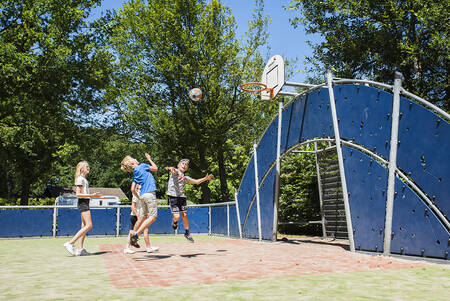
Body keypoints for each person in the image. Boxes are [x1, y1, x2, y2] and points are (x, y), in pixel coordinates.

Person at [166, 159, 214, 243]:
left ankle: (187, 232)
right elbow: (172, 170)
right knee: (177, 217)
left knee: (184, 214)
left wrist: (205, 179)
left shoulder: (185, 177)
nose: (184, 165)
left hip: (182, 197)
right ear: (178, 165)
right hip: (173, 196)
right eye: (182, 163)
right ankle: (174, 222)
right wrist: (171, 168)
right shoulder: (176, 172)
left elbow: (196, 182)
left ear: (187, 168)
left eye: (186, 165)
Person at [121, 153, 159, 252]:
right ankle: (136, 235)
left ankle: (136, 241)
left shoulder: (135, 173)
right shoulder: (142, 166)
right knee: (153, 217)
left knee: (142, 219)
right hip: (150, 193)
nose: (135, 158)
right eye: (133, 158)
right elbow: (155, 168)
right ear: (132, 162)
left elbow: (132, 189)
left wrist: (139, 198)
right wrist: (149, 159)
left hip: (142, 195)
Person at [64, 161, 103, 256]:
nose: (88, 168)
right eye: (86, 166)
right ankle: (70, 243)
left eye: (88, 166)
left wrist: (94, 196)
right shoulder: (80, 179)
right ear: (81, 169)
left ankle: (80, 249)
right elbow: (78, 194)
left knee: (84, 226)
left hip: (86, 202)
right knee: (89, 225)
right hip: (83, 203)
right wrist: (92, 195)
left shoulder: (84, 179)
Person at [123, 184, 157, 254]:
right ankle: (127, 248)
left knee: (145, 230)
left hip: (141, 216)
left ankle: (148, 247)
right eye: (140, 187)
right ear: (137, 188)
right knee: (132, 232)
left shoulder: (143, 195)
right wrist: (138, 216)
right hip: (135, 216)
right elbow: (132, 207)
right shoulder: (136, 194)